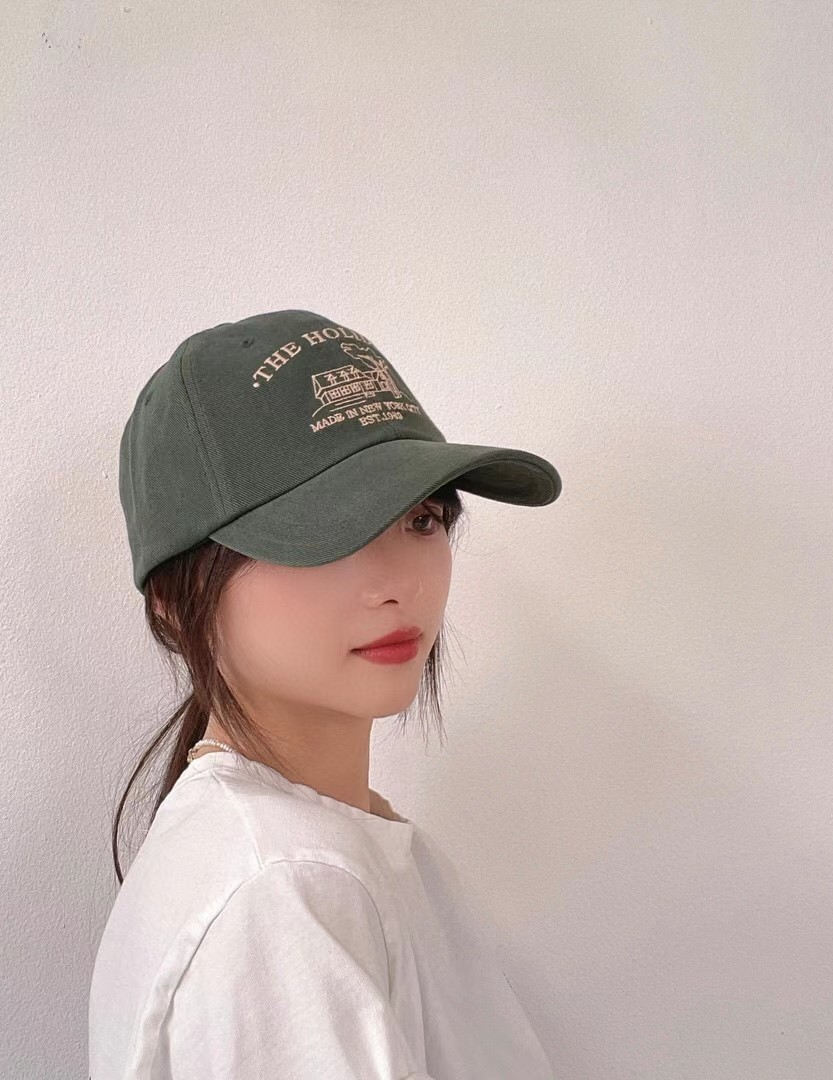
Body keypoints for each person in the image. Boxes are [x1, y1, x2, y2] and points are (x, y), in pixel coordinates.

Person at [88, 309, 562, 1080]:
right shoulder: (279, 893)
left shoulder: (320, 853)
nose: (397, 583)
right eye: (329, 530)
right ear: (173, 600)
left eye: (422, 518)